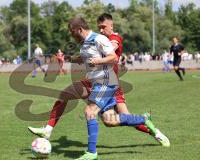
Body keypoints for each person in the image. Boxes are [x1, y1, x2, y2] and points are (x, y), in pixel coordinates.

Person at [28, 14, 169, 147]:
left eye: (103, 27)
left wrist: (97, 50)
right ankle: (48, 129)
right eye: (99, 27)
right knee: (65, 95)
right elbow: (92, 53)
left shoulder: (114, 38)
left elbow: (111, 49)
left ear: (111, 26)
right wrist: (76, 58)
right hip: (93, 82)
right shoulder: (95, 39)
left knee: (117, 119)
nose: (101, 30)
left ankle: (153, 131)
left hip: (110, 84)